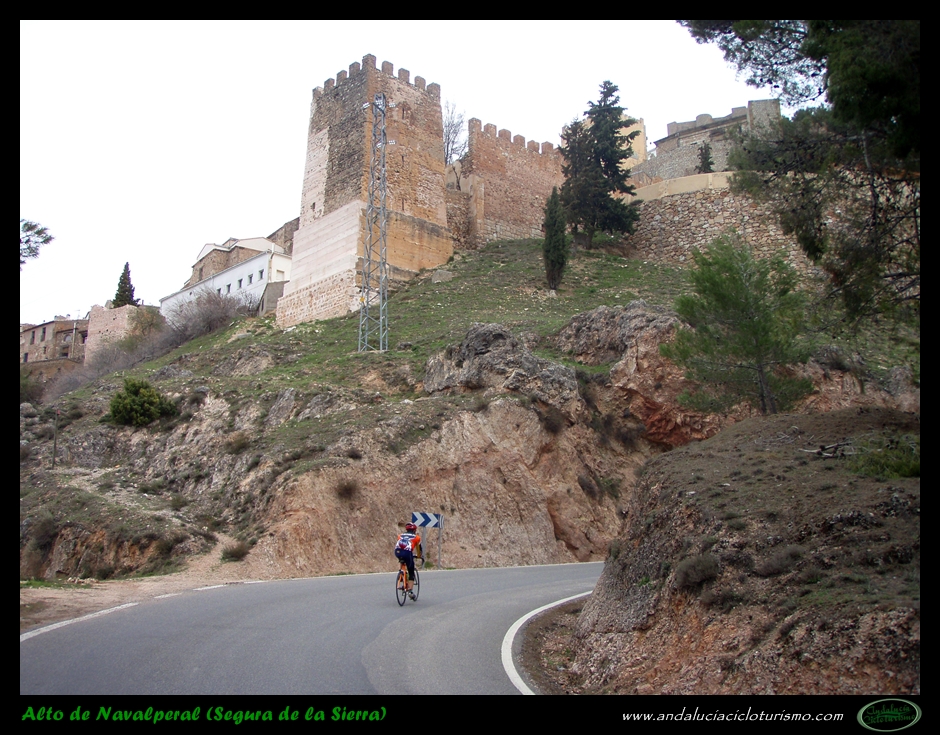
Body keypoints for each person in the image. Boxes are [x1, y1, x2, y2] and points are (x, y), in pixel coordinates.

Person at [394, 522, 423, 599]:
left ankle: (402, 574)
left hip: (397, 552)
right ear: (414, 530)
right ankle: (410, 591)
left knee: (402, 559)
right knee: (411, 571)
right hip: (407, 553)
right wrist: (419, 556)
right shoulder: (417, 537)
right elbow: (419, 550)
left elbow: (401, 546)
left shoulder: (400, 536)